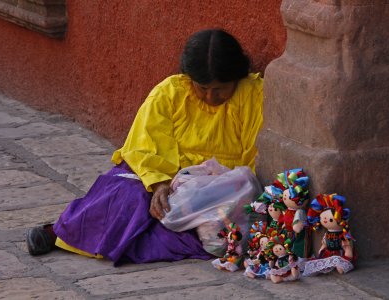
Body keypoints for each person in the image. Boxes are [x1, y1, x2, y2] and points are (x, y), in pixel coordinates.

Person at [25, 28, 264, 266]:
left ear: (236, 77)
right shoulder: (170, 92)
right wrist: (159, 185)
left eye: (220, 89)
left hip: (216, 187)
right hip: (163, 176)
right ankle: (60, 232)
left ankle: (107, 239)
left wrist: (210, 186)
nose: (211, 98)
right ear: (189, 78)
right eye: (202, 88)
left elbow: (253, 159)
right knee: (127, 196)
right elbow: (143, 146)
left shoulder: (252, 94)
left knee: (205, 225)